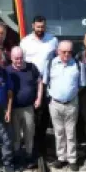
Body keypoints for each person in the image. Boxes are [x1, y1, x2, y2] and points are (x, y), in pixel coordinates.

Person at [20, 16, 58, 159]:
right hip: (30, 82)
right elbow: (21, 61)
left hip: (47, 82)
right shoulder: (25, 42)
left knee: (44, 114)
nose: (40, 29)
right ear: (33, 26)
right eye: (38, 27)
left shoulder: (52, 40)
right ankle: (30, 145)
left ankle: (41, 144)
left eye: (42, 27)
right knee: (31, 113)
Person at [45, 40, 86, 169]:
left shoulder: (78, 65)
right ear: (58, 51)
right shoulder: (51, 64)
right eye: (64, 52)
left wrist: (70, 94)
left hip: (71, 103)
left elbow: (82, 84)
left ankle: (72, 159)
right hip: (55, 104)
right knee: (58, 132)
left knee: (70, 132)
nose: (67, 54)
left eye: (69, 52)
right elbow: (46, 82)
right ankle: (61, 157)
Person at [6, 46, 43, 169]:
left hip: (28, 107)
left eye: (21, 58)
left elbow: (39, 82)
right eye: (16, 58)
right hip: (14, 108)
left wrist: (39, 98)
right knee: (15, 133)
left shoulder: (31, 67)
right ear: (11, 58)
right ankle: (16, 155)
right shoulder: (7, 71)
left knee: (29, 132)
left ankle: (28, 155)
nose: (19, 60)